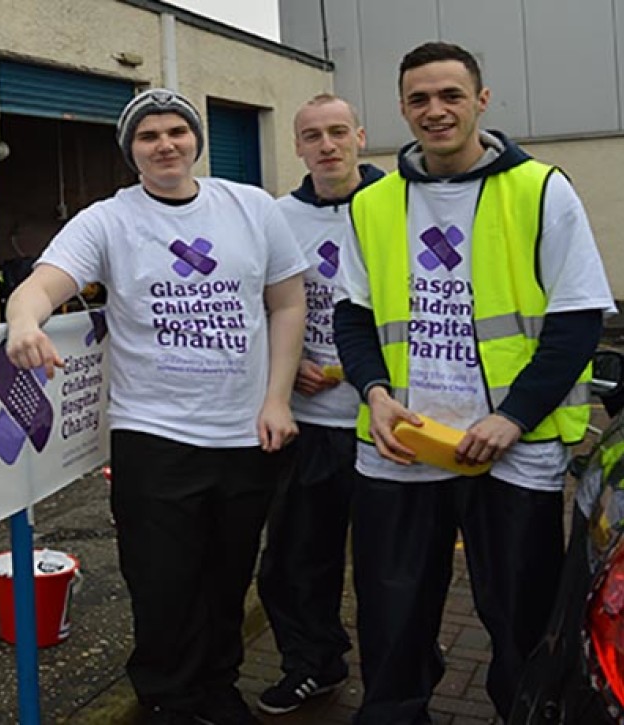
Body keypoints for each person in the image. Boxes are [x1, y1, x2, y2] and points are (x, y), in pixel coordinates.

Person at [332, 41, 616, 724]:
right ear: (402, 108)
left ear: (481, 101)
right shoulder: (373, 204)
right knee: (391, 613)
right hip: (403, 447)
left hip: (512, 451)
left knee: (519, 615)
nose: (436, 111)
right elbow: (353, 317)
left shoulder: (541, 190)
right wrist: (373, 391)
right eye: (420, 99)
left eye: (451, 95)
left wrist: (511, 417)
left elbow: (576, 323)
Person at [4, 88, 307, 725]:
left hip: (244, 432)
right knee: (163, 581)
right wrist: (25, 322)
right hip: (154, 433)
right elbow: (43, 281)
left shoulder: (250, 208)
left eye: (177, 131)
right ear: (131, 152)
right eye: (149, 136)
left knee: (228, 578)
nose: (166, 144)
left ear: (195, 140)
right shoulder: (109, 220)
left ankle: (218, 688)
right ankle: (167, 694)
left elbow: (286, 303)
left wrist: (277, 399)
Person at [255, 94, 384, 716]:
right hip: (309, 425)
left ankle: (400, 682)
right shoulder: (274, 217)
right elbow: (253, 306)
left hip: (386, 428)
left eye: (338, 132)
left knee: (393, 572)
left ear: (360, 135)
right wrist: (279, 367)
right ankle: (314, 665)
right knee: (296, 564)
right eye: (313, 136)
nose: (327, 145)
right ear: (298, 147)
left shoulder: (399, 206)